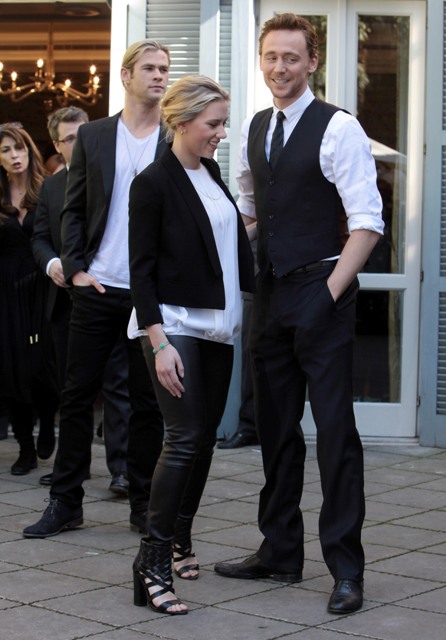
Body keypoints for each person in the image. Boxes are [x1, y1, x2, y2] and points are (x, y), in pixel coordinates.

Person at [213, 14, 384, 615]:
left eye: (291, 57)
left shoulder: (339, 127)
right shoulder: (256, 127)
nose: (279, 67)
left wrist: (327, 295)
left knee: (335, 435)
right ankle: (280, 551)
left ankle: (346, 569)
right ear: (260, 61)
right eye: (271, 57)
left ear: (312, 62)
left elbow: (367, 224)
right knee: (275, 430)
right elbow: (252, 211)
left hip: (322, 289)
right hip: (272, 293)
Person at [22, 39, 169, 539]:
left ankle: (144, 505)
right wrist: (78, 270)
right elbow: (74, 209)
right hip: (98, 288)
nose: (159, 76)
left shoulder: (174, 134)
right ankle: (66, 502)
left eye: (164, 68)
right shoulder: (95, 135)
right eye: (149, 68)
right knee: (77, 396)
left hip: (149, 296)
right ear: (126, 76)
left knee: (147, 404)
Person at [128, 75, 255, 615]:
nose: (221, 133)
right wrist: (159, 343)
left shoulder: (212, 172)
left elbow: (221, 238)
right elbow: (140, 270)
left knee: (203, 440)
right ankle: (151, 562)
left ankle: (180, 538)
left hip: (219, 324)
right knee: (182, 439)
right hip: (174, 323)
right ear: (181, 122)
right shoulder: (153, 182)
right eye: (214, 124)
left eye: (223, 123)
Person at [32, 106, 131, 496]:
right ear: (57, 145)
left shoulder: (115, 175)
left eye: (84, 134)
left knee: (118, 384)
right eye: (71, 138)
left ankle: (122, 469)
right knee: (73, 390)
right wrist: (54, 264)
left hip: (109, 294)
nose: (80, 142)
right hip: (65, 301)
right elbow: (40, 237)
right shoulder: (52, 187)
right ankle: (72, 470)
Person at [0, 122, 59, 475]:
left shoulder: (47, 189)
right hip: (6, 293)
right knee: (11, 369)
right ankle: (24, 446)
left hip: (43, 287)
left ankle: (48, 421)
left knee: (44, 365)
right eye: (6, 150)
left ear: (28, 151)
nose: (14, 155)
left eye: (18, 148)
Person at [217, 239, 258, 449]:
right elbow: (242, 228)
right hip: (261, 273)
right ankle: (249, 426)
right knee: (252, 352)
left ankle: (272, 427)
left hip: (300, 273)